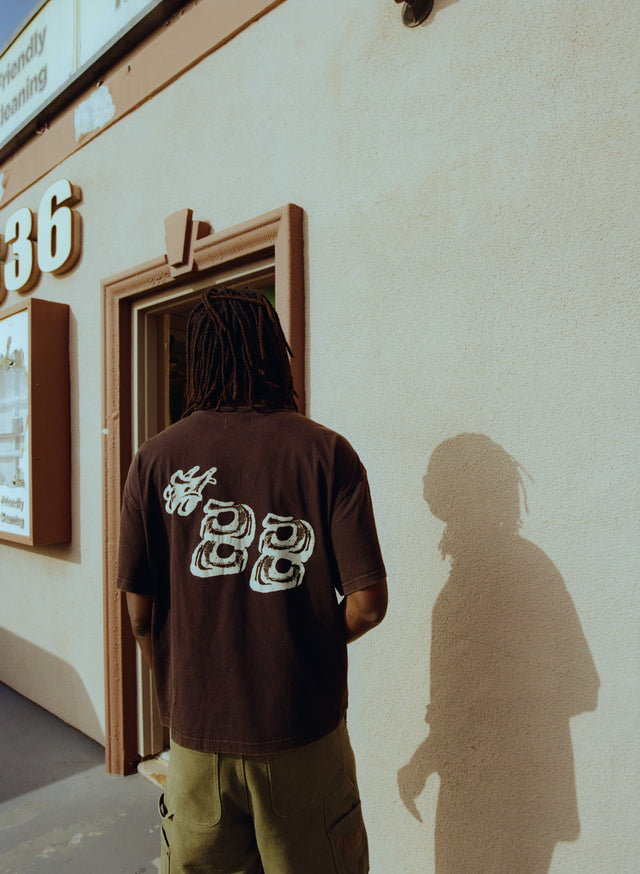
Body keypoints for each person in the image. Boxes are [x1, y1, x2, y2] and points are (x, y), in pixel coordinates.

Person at [117, 286, 388, 874]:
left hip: (198, 739)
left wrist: (181, 685)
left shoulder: (154, 460)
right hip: (302, 731)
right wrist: (301, 643)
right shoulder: (327, 453)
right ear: (272, 353)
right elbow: (367, 605)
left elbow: (140, 614)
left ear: (200, 361)